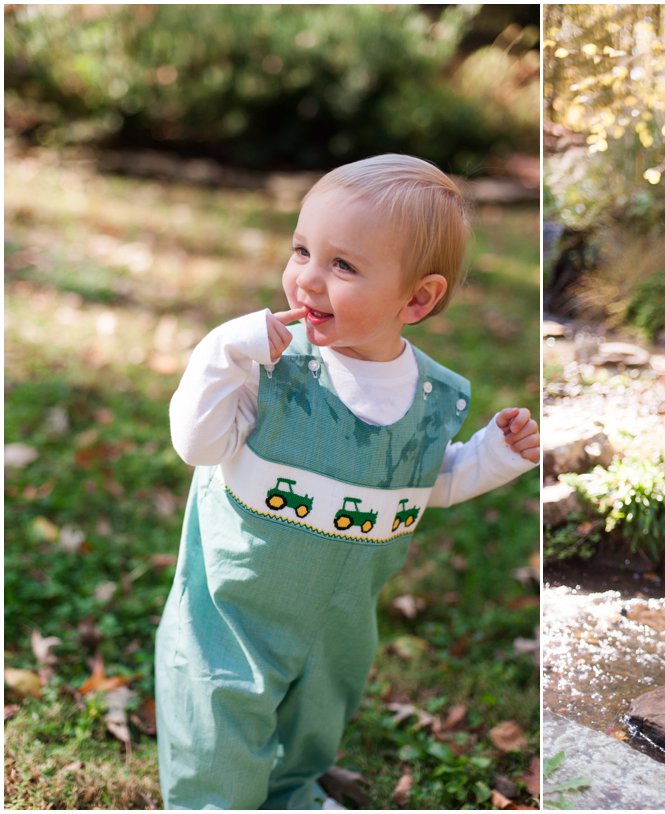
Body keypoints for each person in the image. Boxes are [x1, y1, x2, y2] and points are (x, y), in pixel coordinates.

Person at [155, 154, 540, 808]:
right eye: (302, 249)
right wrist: (220, 353)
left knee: (319, 707)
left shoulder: (429, 396)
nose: (306, 278)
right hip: (236, 600)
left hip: (340, 612)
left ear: (417, 298)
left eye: (342, 265)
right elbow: (198, 444)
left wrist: (494, 456)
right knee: (220, 704)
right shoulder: (268, 369)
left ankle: (292, 791)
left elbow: (421, 485)